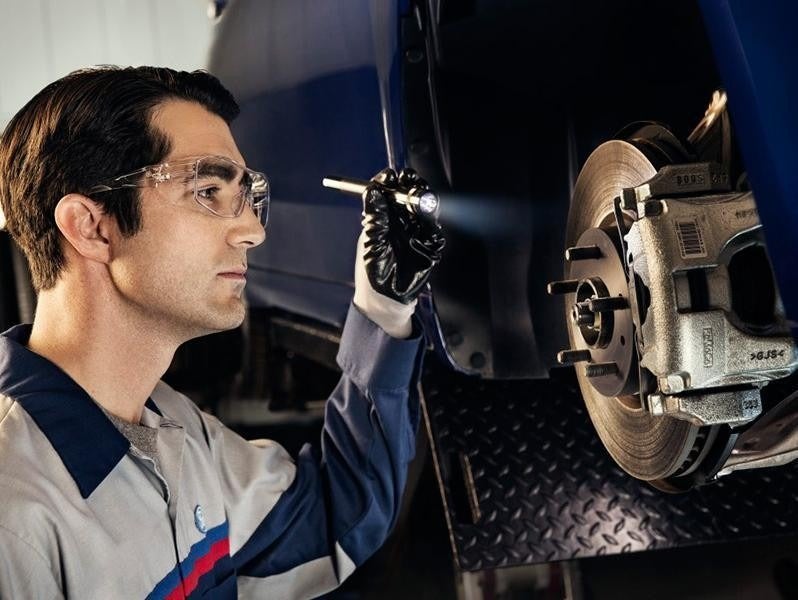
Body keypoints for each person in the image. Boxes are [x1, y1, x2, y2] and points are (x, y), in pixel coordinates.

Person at [0, 66, 444, 599]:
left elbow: (334, 518)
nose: (253, 231)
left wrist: (383, 304)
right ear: (91, 226)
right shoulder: (15, 515)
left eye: (245, 196)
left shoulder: (176, 432)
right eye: (207, 190)